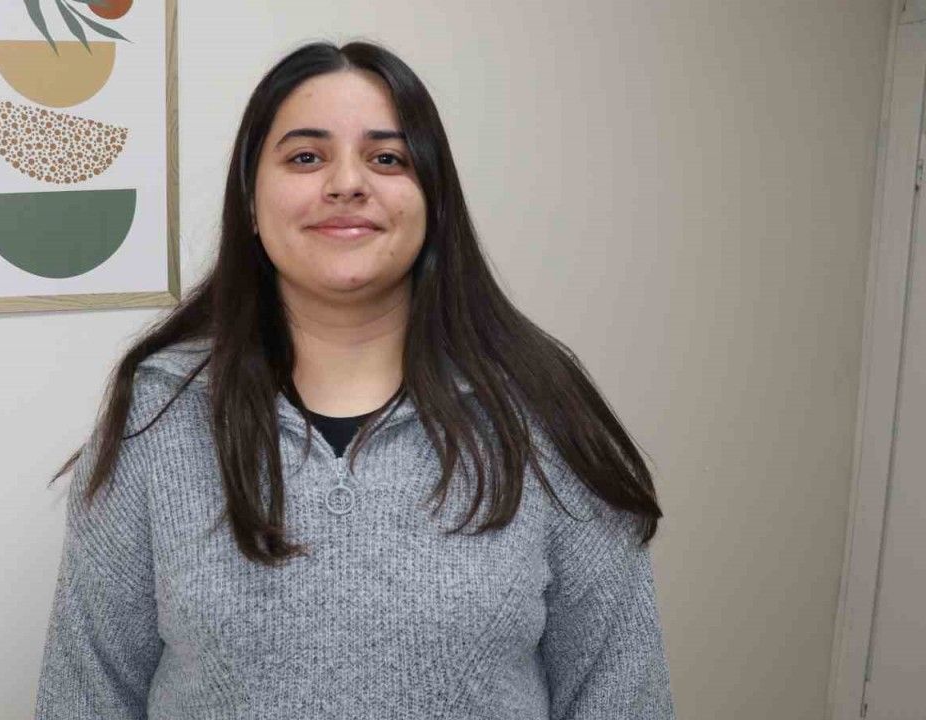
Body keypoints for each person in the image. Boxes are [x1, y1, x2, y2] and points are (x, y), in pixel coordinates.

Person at [35, 39, 675, 719]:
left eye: (387, 159)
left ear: (434, 200)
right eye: (306, 158)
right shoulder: (156, 417)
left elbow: (623, 698)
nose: (346, 183)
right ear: (250, 201)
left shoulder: (542, 412)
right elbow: (85, 698)